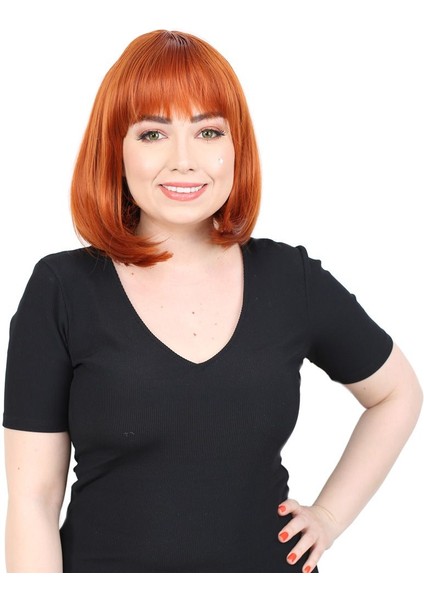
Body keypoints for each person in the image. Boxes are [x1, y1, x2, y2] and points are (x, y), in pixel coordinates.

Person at [3, 29, 422, 574]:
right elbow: (32, 502)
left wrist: (329, 517)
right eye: (153, 133)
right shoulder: (61, 288)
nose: (184, 160)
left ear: (235, 146)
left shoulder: (290, 279)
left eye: (207, 131)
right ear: (115, 149)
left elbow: (396, 394)